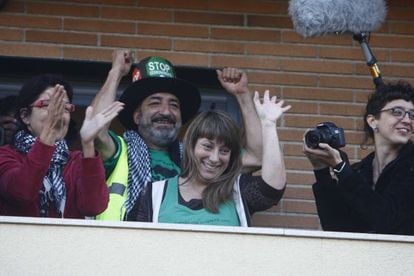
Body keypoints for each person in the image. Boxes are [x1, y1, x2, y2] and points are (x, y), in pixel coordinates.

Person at [91, 49, 263, 221]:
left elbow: (257, 157)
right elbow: (94, 130)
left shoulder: (201, 156)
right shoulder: (120, 150)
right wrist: (116, 73)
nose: (166, 111)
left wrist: (242, 95)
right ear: (137, 116)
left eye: (174, 105)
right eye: (155, 103)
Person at [129, 90, 289, 226]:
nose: (214, 158)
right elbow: (133, 246)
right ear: (191, 146)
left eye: (224, 151)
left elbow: (272, 189)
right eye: (207, 146)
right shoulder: (153, 193)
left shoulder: (238, 191)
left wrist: (268, 124)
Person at [0, 74, 124, 218]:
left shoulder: (76, 160)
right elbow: (22, 192)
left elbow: (93, 206)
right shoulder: (5, 155)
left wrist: (88, 145)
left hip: (68, 241)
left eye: (65, 107)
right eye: (48, 105)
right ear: (25, 116)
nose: (58, 113)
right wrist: (48, 136)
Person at [304, 81, 414, 235]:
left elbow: (387, 221)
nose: (407, 120)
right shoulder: (361, 170)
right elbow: (336, 226)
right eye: (397, 112)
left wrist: (341, 169)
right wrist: (321, 170)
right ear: (372, 121)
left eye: (412, 114)